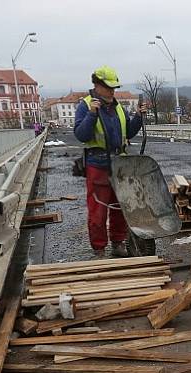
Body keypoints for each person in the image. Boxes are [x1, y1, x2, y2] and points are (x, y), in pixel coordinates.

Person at [74, 66, 145, 258]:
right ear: (97, 85)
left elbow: (128, 132)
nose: (112, 91)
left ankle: (118, 243)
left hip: (120, 165)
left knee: (120, 207)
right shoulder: (86, 105)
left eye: (114, 87)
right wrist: (91, 115)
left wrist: (138, 117)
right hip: (97, 164)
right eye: (108, 87)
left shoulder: (118, 107)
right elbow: (81, 135)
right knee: (98, 210)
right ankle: (99, 248)